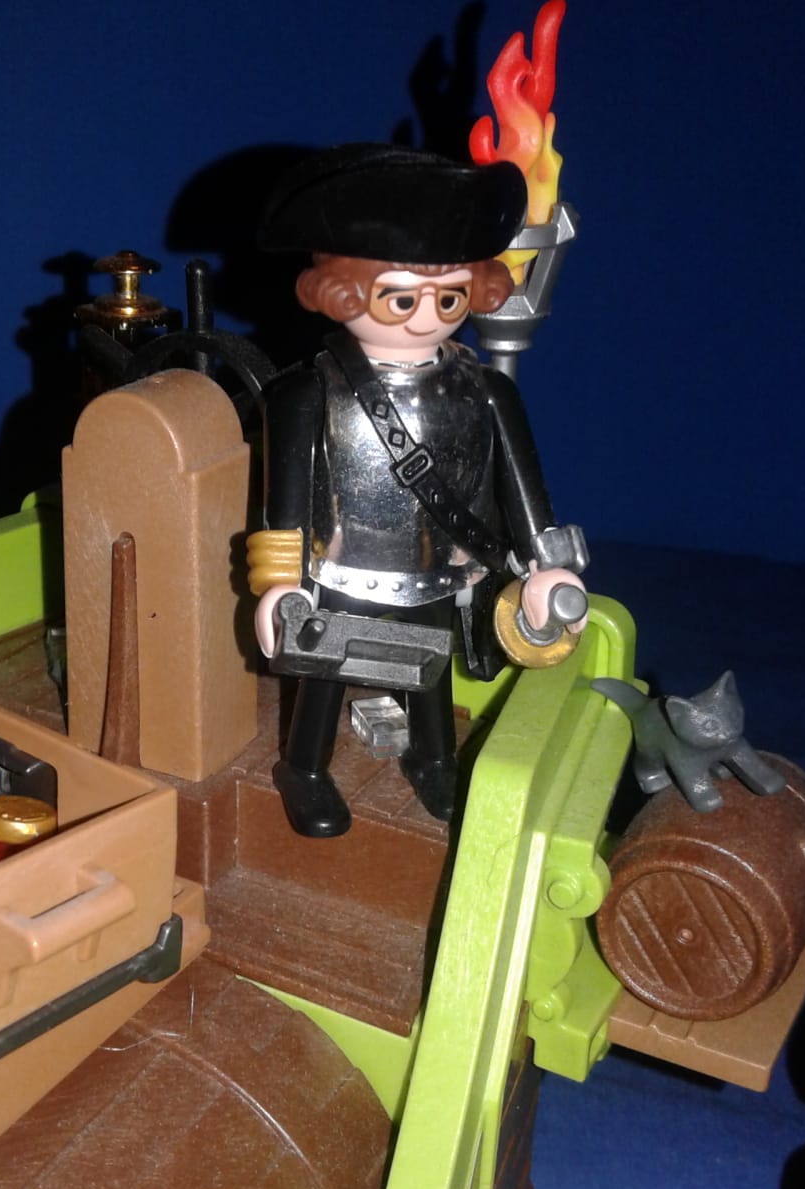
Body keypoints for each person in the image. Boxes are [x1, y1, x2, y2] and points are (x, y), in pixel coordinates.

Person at [247, 143, 587, 838]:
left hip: (440, 565)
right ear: (345, 292)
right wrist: (279, 584)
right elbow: (285, 505)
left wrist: (545, 564)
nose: (427, 316)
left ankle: (434, 760)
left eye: (449, 296)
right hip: (339, 568)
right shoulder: (308, 392)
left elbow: (522, 485)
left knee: (431, 669)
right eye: (401, 298)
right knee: (324, 671)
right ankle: (304, 767)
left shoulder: (484, 391)